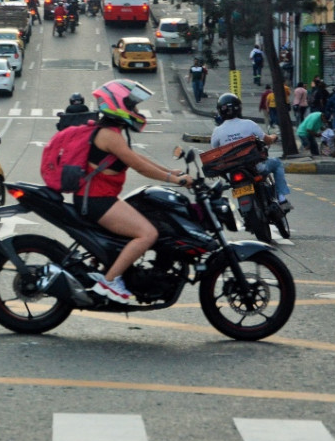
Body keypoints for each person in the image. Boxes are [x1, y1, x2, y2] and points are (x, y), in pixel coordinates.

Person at [80, 80, 193, 304]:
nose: (137, 111)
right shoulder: (109, 136)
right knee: (148, 234)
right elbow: (139, 167)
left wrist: (170, 171)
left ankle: (112, 271)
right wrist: (175, 179)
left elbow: (137, 158)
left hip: (100, 197)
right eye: (134, 106)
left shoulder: (111, 133)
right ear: (119, 105)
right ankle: (109, 281)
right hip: (97, 200)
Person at [211, 94, 292, 210]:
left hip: (232, 174)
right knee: (277, 163)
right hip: (254, 168)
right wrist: (273, 137)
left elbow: (215, 150)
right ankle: (281, 198)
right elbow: (267, 140)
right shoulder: (249, 124)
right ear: (238, 108)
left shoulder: (217, 131)